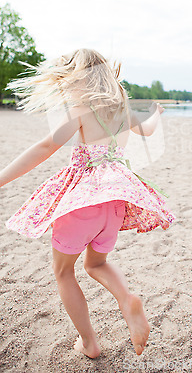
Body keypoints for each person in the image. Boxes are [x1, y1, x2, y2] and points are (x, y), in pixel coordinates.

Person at [0, 48, 175, 359]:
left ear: (77, 79)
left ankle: (89, 343)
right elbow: (147, 130)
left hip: (83, 203)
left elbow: (45, 147)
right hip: (115, 203)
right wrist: (157, 115)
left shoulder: (80, 110)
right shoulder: (124, 110)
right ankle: (126, 298)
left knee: (64, 272)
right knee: (97, 263)